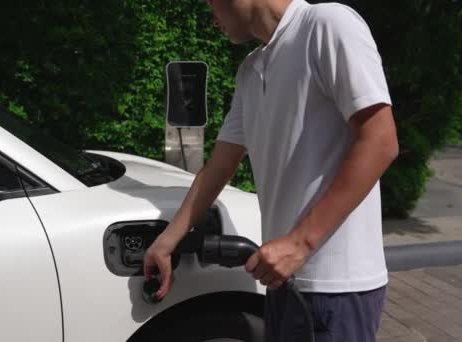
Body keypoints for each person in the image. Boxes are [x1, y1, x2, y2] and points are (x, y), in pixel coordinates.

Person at [143, 0, 399, 341]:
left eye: (210, 3)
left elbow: (380, 140)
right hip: (282, 283)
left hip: (336, 288)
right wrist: (166, 241)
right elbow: (220, 164)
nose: (210, 16)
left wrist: (299, 243)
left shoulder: (327, 24)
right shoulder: (251, 68)